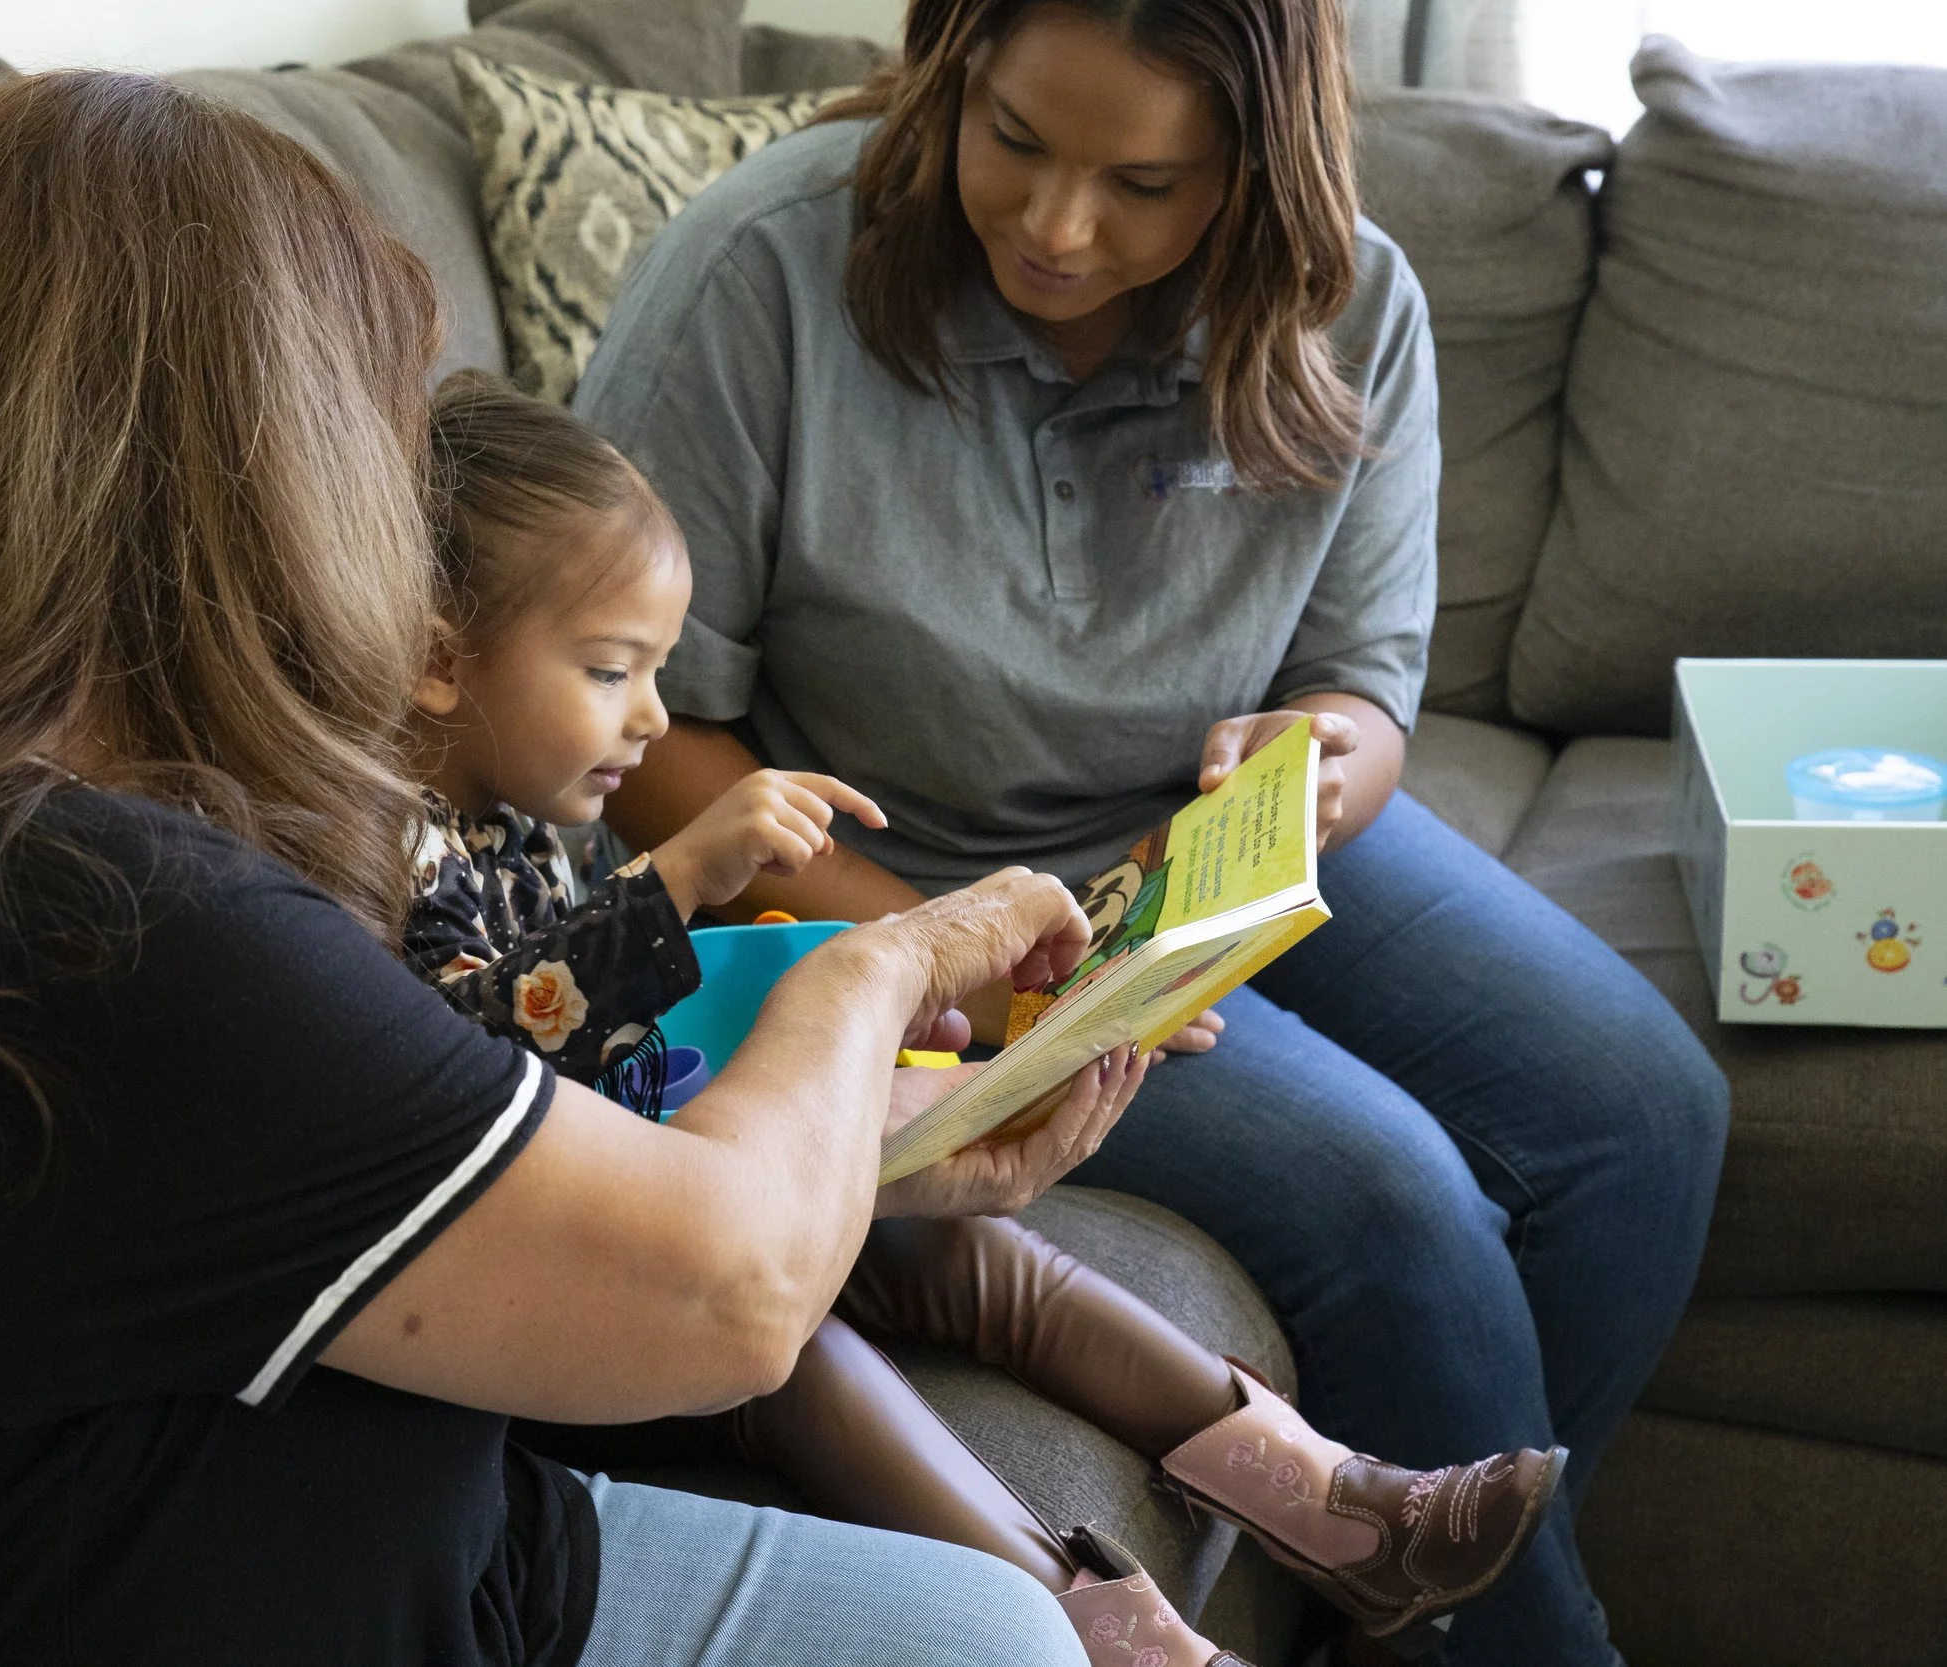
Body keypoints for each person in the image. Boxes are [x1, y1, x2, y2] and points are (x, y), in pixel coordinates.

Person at [0, 70, 1139, 1667]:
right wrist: (879, 968)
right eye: (369, 436)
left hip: (409, 1529)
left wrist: (879, 1136)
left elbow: (417, 1152)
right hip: (287, 1574)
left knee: (994, 1629)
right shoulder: (70, 911)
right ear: (254, 473)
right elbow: (729, 1292)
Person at [573, 2, 1730, 1663]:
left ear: (1259, 178)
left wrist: (1323, 763)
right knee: (1398, 1211)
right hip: (895, 869)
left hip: (1204, 842)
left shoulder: (1358, 305)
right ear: (953, 71)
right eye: (1017, 142)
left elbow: (1363, 684)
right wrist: (926, 952)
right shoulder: (760, 272)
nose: (1057, 225)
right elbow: (649, 731)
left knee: (1647, 1113)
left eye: (1143, 181)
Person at [403, 371, 1563, 1664]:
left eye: (656, 671)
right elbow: (474, 1055)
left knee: (962, 1256)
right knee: (800, 1359)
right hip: (558, 1296)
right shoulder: (386, 851)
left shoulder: (513, 807)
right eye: (611, 670)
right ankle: (1115, 1634)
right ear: (443, 661)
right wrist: (671, 884)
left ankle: (1334, 1500)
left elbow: (596, 1022)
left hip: (658, 1180)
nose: (656, 720)